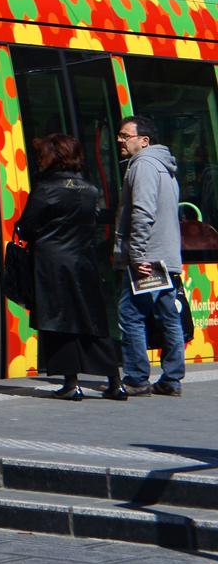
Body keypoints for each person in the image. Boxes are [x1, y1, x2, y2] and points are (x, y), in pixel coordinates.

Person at [15, 131, 120, 399]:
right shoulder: (89, 189)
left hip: (51, 264)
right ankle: (114, 381)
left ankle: (71, 384)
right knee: (92, 321)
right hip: (84, 262)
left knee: (59, 322)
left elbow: (26, 228)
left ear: (52, 157)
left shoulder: (45, 189)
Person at [116, 115, 188, 395]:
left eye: (125, 136)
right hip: (164, 255)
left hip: (147, 258)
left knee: (130, 314)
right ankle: (171, 379)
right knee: (168, 314)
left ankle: (136, 377)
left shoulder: (144, 165)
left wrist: (136, 255)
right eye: (120, 136)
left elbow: (143, 212)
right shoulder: (164, 165)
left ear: (144, 141)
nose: (120, 141)